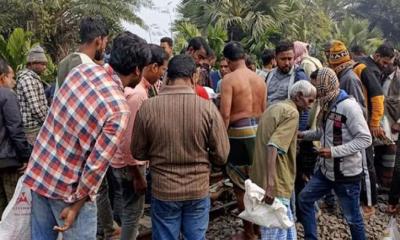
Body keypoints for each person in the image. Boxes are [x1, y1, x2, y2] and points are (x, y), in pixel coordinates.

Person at [23, 32, 151, 240]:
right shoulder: (118, 109)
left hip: (40, 174)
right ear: (137, 70)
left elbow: (52, 118)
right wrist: (76, 206)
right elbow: (96, 166)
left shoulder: (81, 71)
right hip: (68, 190)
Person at [131, 54, 229, 240]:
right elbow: (222, 155)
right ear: (194, 77)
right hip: (197, 188)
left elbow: (137, 151)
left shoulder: (148, 108)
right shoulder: (207, 109)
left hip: (163, 189)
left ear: (168, 76)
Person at [298, 67, 372, 240]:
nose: (316, 93)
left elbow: (365, 139)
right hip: (326, 171)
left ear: (326, 87)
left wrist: (333, 151)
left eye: (318, 88)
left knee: (353, 219)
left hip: (346, 175)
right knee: (304, 199)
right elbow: (322, 133)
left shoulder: (349, 107)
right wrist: (302, 135)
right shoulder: (327, 104)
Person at [111, 44, 168, 240]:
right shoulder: (138, 94)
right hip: (130, 163)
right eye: (162, 69)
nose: (162, 74)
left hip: (127, 162)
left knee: (129, 209)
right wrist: (136, 174)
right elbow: (129, 138)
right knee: (132, 214)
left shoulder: (143, 90)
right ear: (152, 66)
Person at [250, 80, 316, 240]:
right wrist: (271, 184)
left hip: (262, 177)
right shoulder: (292, 113)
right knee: (276, 231)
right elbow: (273, 146)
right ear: (299, 96)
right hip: (276, 183)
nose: (310, 106)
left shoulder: (275, 107)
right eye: (310, 100)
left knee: (285, 227)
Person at [327, 40, 385, 216]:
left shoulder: (353, 75)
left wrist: (374, 123)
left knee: (366, 165)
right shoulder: (346, 74)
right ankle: (359, 201)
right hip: (355, 127)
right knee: (360, 165)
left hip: (361, 127)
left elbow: (375, 97)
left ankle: (369, 205)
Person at [219, 41, 266, 240]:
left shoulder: (229, 80)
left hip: (238, 136)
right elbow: (264, 111)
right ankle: (260, 230)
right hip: (258, 134)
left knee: (241, 188)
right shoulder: (260, 80)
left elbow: (225, 115)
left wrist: (219, 140)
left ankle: (248, 232)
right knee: (257, 185)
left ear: (228, 61)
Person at [0, 58, 32, 216]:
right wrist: (26, 156)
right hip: (8, 162)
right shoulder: (7, 95)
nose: (14, 82)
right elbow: (15, 129)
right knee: (14, 211)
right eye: (12, 77)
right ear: (2, 77)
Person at [57, 16, 109, 88]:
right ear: (99, 40)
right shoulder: (88, 68)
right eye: (105, 42)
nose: (104, 49)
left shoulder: (63, 63)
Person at [16, 45, 48, 145]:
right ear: (32, 63)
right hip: (33, 129)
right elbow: (36, 109)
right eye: (42, 64)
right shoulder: (27, 80)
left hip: (36, 127)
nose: (44, 67)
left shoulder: (33, 78)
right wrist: (49, 121)